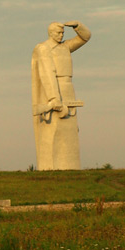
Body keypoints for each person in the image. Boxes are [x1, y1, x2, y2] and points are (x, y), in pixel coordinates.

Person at [31, 20, 91, 170]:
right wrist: (53, 98)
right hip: (54, 89)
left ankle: (70, 167)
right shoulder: (44, 48)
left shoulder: (65, 47)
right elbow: (47, 73)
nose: (61, 35)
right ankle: (51, 167)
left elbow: (85, 37)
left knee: (70, 131)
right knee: (54, 130)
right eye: (58, 33)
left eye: (63, 33)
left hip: (68, 88)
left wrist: (77, 26)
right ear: (50, 33)